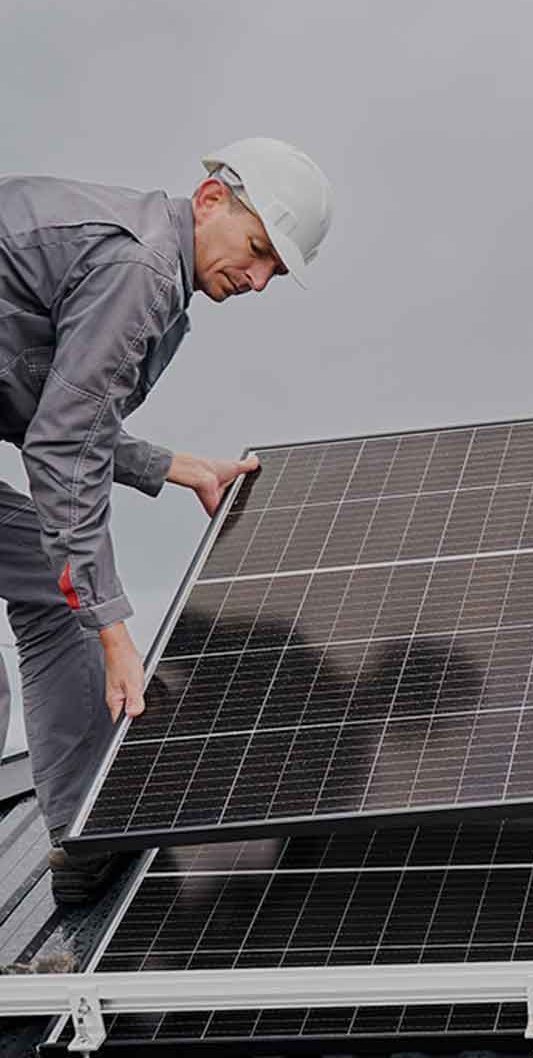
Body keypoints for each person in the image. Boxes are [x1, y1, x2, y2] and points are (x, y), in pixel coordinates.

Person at [0, 138, 334, 904]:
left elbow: (56, 414)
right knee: (67, 607)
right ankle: (87, 824)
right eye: (256, 251)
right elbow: (62, 454)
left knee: (56, 595)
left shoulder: (136, 254)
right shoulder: (143, 269)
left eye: (274, 273)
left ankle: (83, 830)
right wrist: (117, 636)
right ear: (211, 200)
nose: (255, 280)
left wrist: (174, 466)